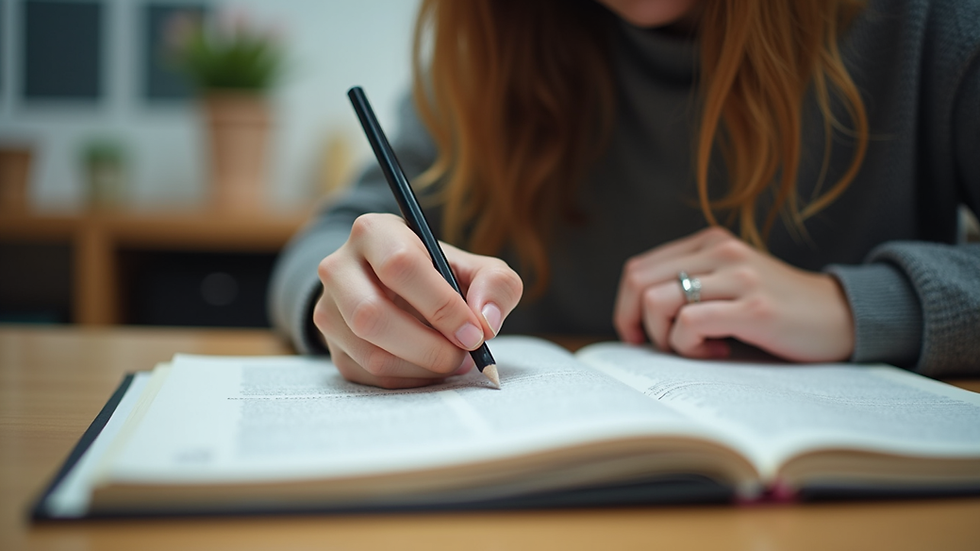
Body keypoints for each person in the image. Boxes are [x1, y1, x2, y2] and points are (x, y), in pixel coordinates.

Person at [270, 0, 980, 389]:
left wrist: (860, 307)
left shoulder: (933, 23)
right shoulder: (492, 39)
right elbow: (326, 243)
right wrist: (349, 302)